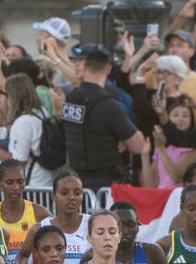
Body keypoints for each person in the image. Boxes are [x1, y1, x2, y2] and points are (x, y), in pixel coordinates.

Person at [60, 46, 146, 191]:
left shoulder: (70, 99)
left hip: (75, 182)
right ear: (108, 69)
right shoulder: (109, 104)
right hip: (105, 183)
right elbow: (138, 146)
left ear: (85, 67)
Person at [16, 171, 89, 264]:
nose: (71, 197)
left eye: (77, 193)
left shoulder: (92, 225)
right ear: (53, 196)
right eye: (64, 193)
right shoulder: (39, 229)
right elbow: (22, 256)